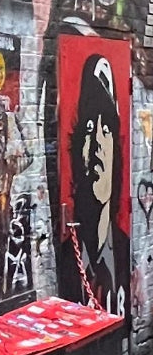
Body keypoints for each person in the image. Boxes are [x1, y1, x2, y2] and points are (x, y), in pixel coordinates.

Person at [58, 53, 130, 318]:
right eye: (89, 128)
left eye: (107, 129)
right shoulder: (66, 258)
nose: (98, 143)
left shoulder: (124, 250)